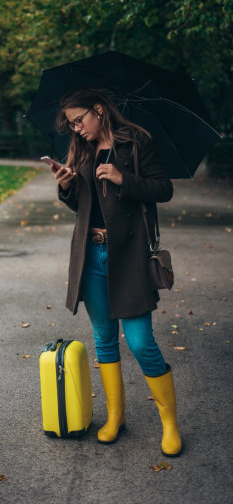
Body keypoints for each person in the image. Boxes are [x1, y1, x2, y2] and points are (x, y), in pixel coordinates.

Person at [48, 87, 182, 457]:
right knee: (104, 339)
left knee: (140, 343)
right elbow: (84, 207)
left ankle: (169, 425)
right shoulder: (82, 151)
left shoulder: (136, 142)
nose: (76, 129)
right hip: (91, 256)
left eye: (79, 120)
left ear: (98, 111)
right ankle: (115, 417)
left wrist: (124, 179)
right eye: (71, 124)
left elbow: (164, 189)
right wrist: (67, 187)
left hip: (129, 258)